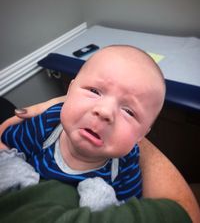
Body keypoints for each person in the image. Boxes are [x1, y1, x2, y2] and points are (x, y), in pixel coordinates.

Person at [0, 45, 200, 222]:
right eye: (94, 91)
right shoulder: (47, 124)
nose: (105, 112)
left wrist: (107, 203)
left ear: (141, 136)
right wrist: (14, 170)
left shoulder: (126, 163)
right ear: (68, 93)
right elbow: (6, 146)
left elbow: (128, 201)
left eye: (129, 111)